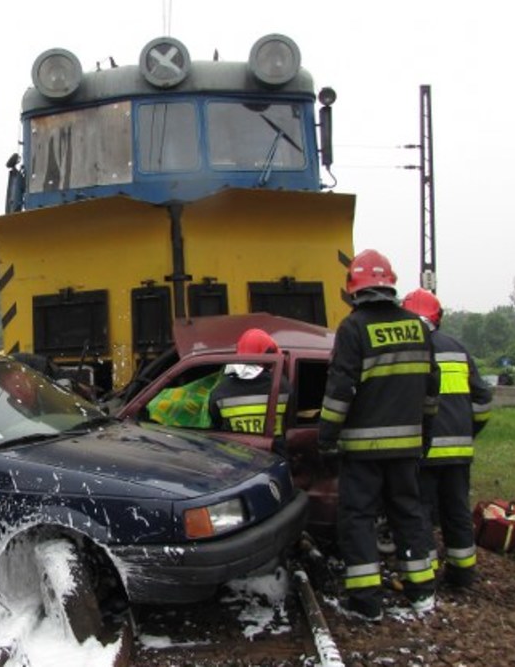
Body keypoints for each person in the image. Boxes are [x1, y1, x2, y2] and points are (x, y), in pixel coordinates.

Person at [318, 250, 439, 622]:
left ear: (354, 289)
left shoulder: (354, 329)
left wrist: (326, 436)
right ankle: (421, 593)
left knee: (357, 518)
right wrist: (426, 435)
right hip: (406, 447)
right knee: (408, 513)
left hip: (362, 450)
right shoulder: (418, 327)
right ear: (390, 284)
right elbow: (431, 391)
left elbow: (340, 391)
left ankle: (367, 603)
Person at [403, 288, 492, 589]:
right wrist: (469, 431)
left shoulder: (408, 349)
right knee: (456, 511)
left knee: (422, 512)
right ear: (437, 318)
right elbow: (483, 400)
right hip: (458, 452)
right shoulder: (458, 348)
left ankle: (426, 573)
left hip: (422, 451)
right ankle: (462, 573)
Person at [208, 328, 292, 447]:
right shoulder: (282, 386)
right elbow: (290, 420)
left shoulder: (220, 392)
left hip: (238, 458)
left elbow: (215, 425)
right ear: (268, 357)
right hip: (274, 456)